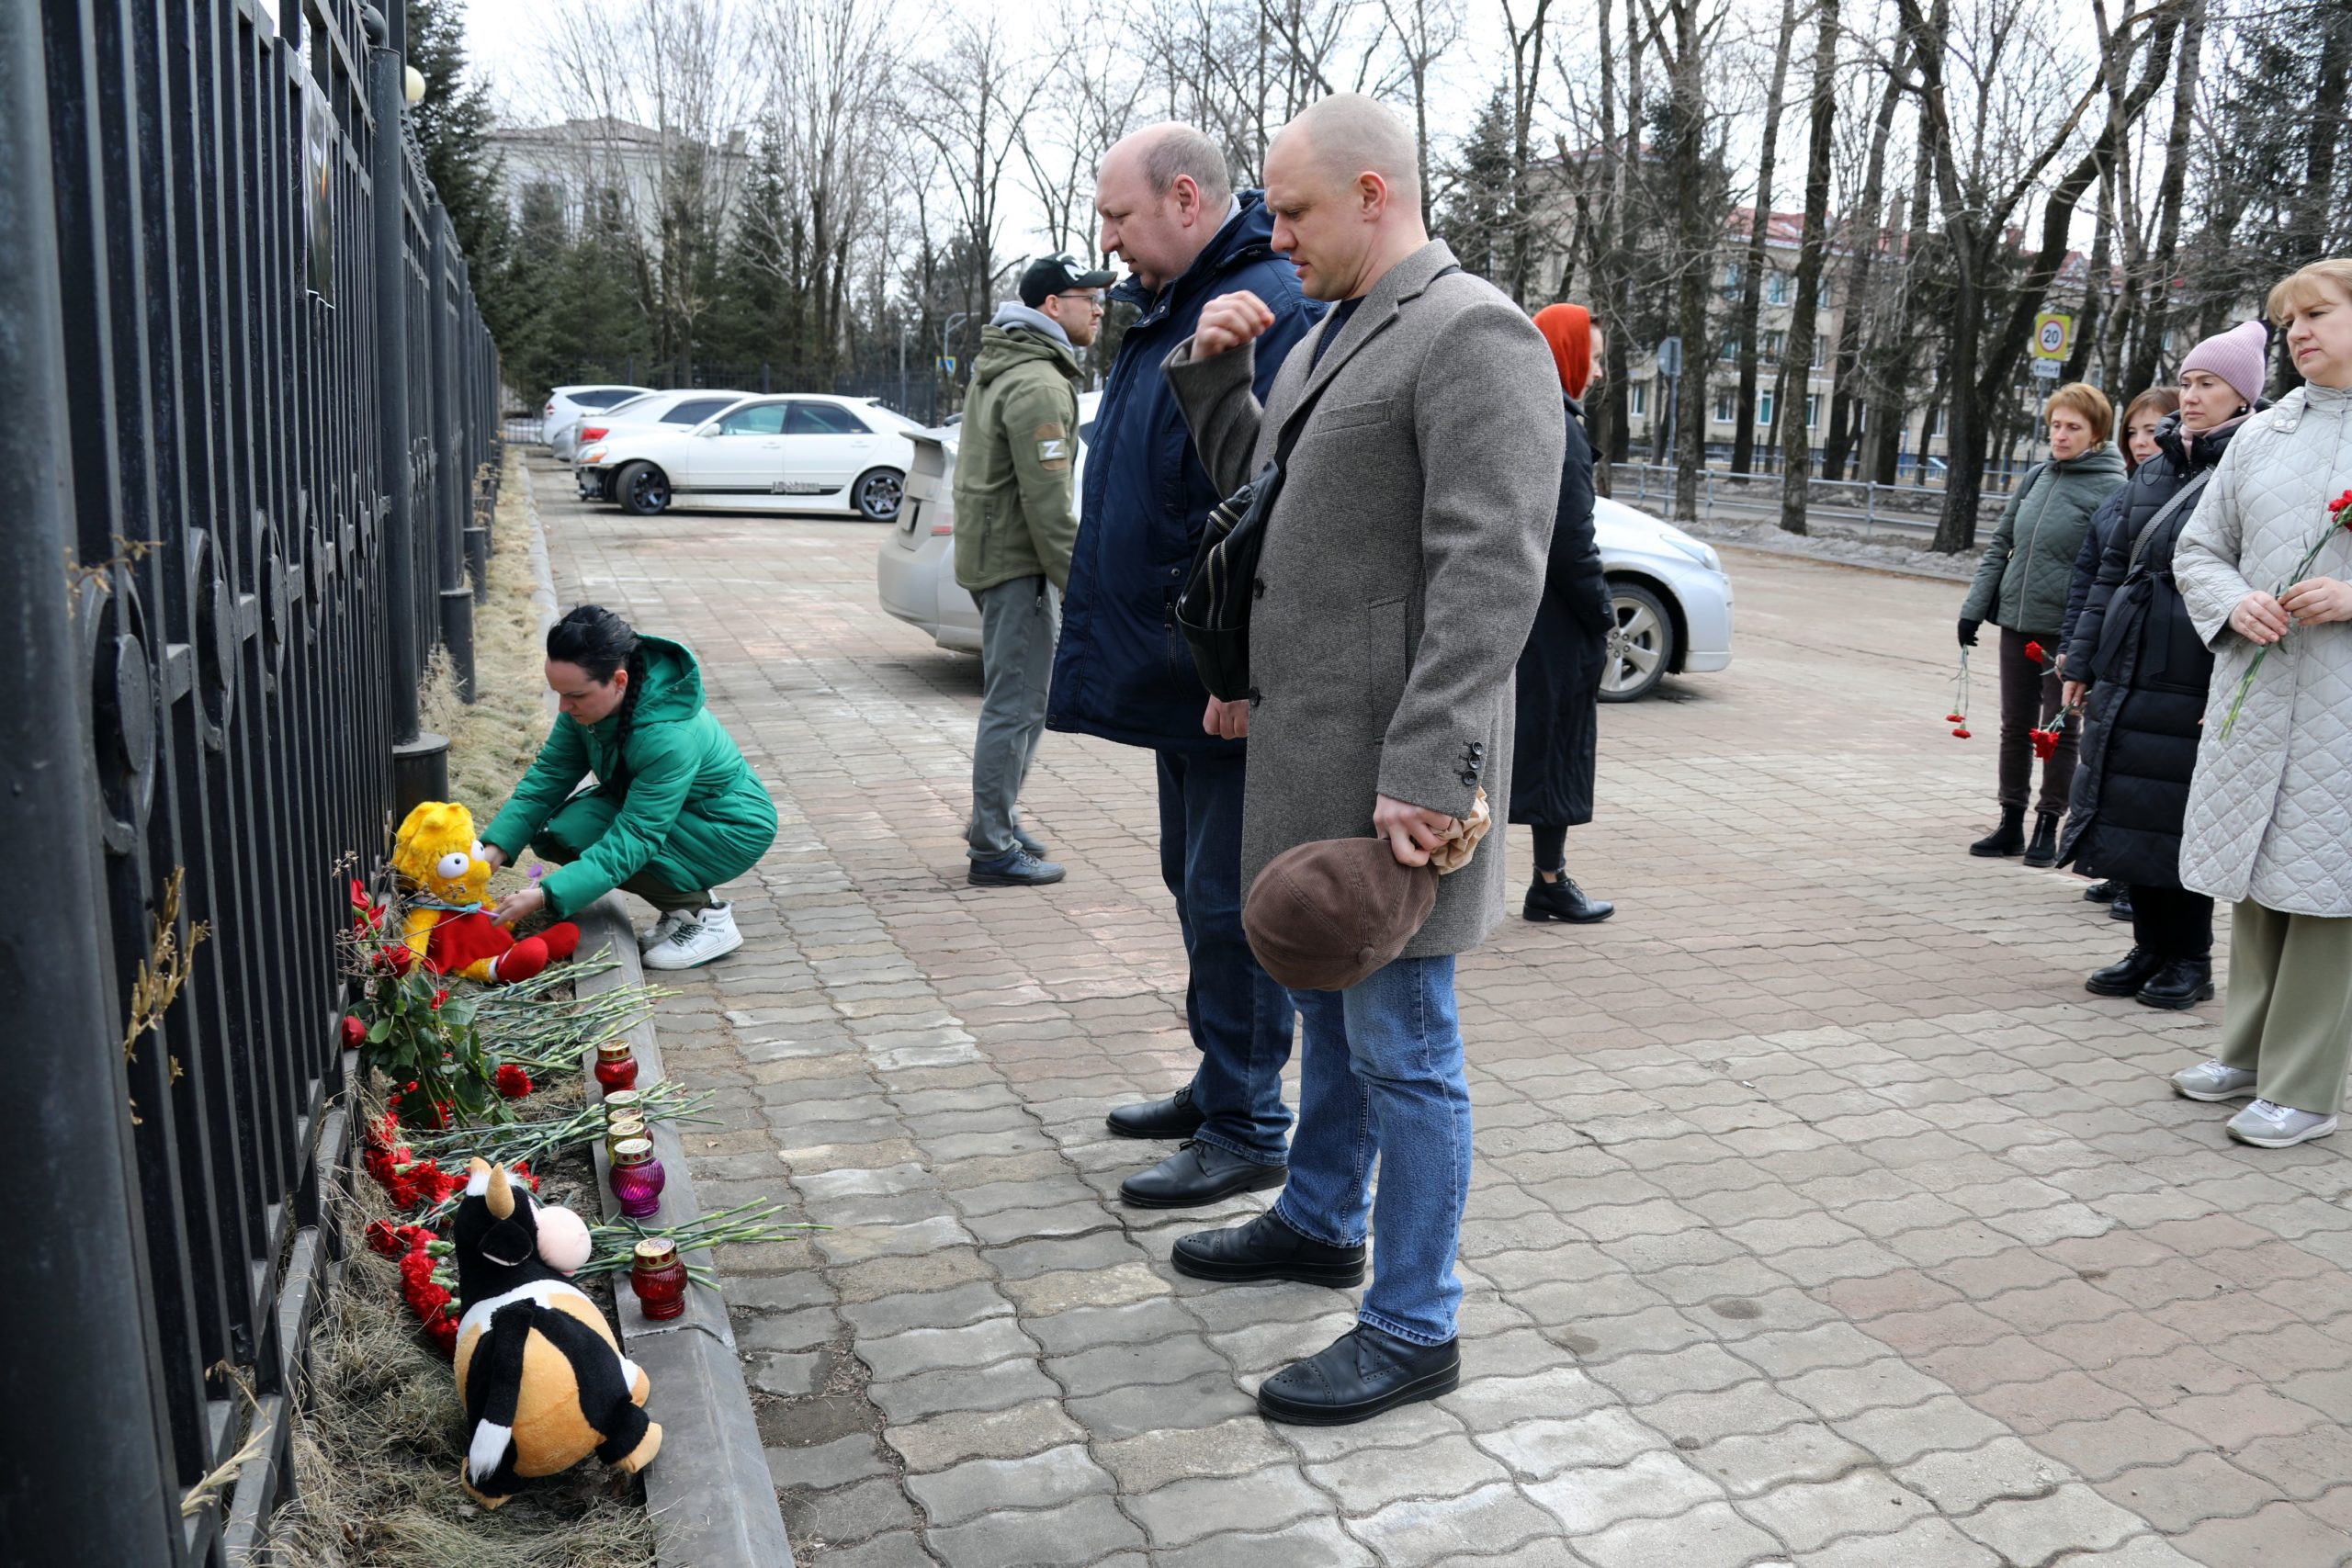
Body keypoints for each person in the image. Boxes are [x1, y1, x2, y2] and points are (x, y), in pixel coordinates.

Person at [1160, 94, 1561, 1425]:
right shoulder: (1337, 329)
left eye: (1295, 211)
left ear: (1377, 195)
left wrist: (1438, 769)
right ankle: (1322, 1216)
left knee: (1406, 1039)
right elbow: (1282, 515)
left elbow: (1491, 568)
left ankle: (1414, 1319)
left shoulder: (1474, 333)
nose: (1275, 236)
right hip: (1312, 753)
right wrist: (1217, 375)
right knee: (1332, 1006)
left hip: (1398, 774)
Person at [1047, 126, 1324, 1206]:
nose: (1106, 241)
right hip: (1180, 668)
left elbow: (1270, 511)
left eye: (1118, 217)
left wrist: (1243, 674)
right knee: (1191, 882)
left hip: (1223, 676)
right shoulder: (1174, 300)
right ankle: (1223, 1084)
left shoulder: (1262, 304)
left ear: (1182, 199)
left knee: (1229, 899)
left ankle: (1252, 1120)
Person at [2168, 259, 2352, 1149]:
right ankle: (2244, 1054)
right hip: (2261, 688)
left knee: (2327, 892)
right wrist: (2232, 601)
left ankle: (2304, 1089)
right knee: (2256, 875)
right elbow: (2198, 550)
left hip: (2341, 706)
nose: (2298, 333)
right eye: (2288, 322)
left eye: (2317, 314)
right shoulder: (2263, 435)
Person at [2059, 324, 2270, 1010]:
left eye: (2209, 383)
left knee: (2181, 816)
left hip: (2198, 668)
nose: (2193, 393)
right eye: (2188, 380)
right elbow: (2110, 572)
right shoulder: (2154, 466)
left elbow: (2254, 580)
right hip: (2130, 659)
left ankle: (2191, 959)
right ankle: (2148, 947)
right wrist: (2083, 659)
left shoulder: (2256, 462)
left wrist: (2237, 677)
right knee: (2130, 810)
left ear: (2244, 393)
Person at [482, 605, 779, 971]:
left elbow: (638, 835)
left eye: (574, 695)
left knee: (599, 835)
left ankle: (706, 919)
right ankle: (679, 904)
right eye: (557, 693)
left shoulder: (668, 737)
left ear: (619, 681)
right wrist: (494, 848)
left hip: (729, 827)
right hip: (685, 814)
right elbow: (548, 777)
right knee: (566, 830)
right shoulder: (589, 707)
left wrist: (546, 894)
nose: (563, 706)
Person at [952, 254, 1114, 888]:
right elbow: (1048, 509)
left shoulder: (1009, 365)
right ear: (1053, 305)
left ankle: (995, 819)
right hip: (1017, 564)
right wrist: (1085, 593)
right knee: (1016, 706)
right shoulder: (1039, 384)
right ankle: (992, 848)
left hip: (994, 558)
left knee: (1022, 701)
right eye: (1087, 298)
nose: (1098, 309)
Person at [1957, 382, 2126, 866]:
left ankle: (2049, 824)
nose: (2061, 435)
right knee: (2015, 725)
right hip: (2018, 620)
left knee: (2058, 730)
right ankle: (2010, 822)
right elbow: (2000, 544)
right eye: (2055, 425)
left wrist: (2089, 636)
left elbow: (2106, 567)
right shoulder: (2037, 477)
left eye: (2073, 427)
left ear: (2096, 434)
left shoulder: (2111, 487)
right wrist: (1975, 607)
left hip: (2067, 630)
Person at [1511, 303, 1616, 924]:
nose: (1598, 373)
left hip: (1525, 615)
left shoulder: (1521, 415)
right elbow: (1573, 541)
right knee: (1553, 751)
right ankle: (1548, 882)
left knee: (1516, 750)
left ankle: (1544, 881)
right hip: (1555, 627)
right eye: (1594, 357)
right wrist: (1602, 614)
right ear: (1567, 355)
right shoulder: (1562, 429)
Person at [2064, 388, 2181, 919]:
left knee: (2151, 776)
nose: (2141, 442)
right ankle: (2120, 869)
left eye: (2152, 430)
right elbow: (2093, 577)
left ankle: (2144, 887)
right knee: (2111, 765)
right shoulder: (2125, 496)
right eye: (2133, 431)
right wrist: (2077, 651)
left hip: (2163, 655)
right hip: (2117, 650)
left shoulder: (2191, 486)